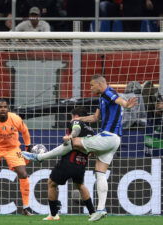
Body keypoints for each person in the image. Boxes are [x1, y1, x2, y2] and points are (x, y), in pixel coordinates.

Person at [23, 74, 137, 221]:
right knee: (100, 173)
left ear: (99, 84)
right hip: (114, 141)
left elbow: (119, 100)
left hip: (108, 136)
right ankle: (101, 209)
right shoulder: (102, 99)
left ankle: (39, 157)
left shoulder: (108, 92)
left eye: (91, 85)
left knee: (74, 142)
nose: (90, 88)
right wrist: (79, 119)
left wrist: (126, 104)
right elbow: (95, 118)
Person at [24, 107, 96, 220]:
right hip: (81, 163)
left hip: (69, 161)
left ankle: (53, 215)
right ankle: (92, 212)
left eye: (72, 117)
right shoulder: (92, 131)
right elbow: (92, 152)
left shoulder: (76, 121)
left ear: (77, 116)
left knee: (51, 183)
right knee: (80, 185)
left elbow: (76, 129)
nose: (71, 119)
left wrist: (71, 136)